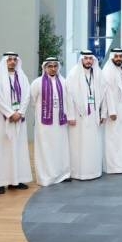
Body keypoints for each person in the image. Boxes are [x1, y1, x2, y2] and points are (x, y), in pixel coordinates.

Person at [0, 52, 33, 194]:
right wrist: (10, 113)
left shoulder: (22, 77)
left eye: (15, 59)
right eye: (9, 60)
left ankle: (16, 180)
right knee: (2, 150)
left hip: (19, 118)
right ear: (4, 61)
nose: (12, 62)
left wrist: (20, 112)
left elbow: (27, 96)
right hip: (2, 119)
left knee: (19, 149)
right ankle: (0, 183)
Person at [30, 57, 72, 186]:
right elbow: (33, 101)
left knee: (60, 147)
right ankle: (46, 177)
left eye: (55, 66)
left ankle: (63, 174)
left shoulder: (64, 82)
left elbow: (68, 100)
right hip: (44, 123)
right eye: (50, 66)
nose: (53, 69)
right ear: (45, 68)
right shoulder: (37, 83)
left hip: (60, 122)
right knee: (46, 148)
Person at [64, 50, 105, 181]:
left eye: (90, 58)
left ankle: (94, 171)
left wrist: (103, 113)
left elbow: (104, 94)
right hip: (78, 116)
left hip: (93, 115)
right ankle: (79, 172)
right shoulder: (73, 74)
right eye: (86, 58)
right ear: (81, 59)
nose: (88, 61)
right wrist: (70, 116)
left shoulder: (98, 73)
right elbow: (69, 96)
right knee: (79, 144)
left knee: (93, 143)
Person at [101, 48, 122, 174]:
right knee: (113, 138)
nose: (119, 59)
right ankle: (113, 166)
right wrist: (112, 111)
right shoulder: (108, 70)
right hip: (113, 112)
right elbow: (107, 93)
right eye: (116, 56)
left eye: (120, 56)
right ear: (112, 57)